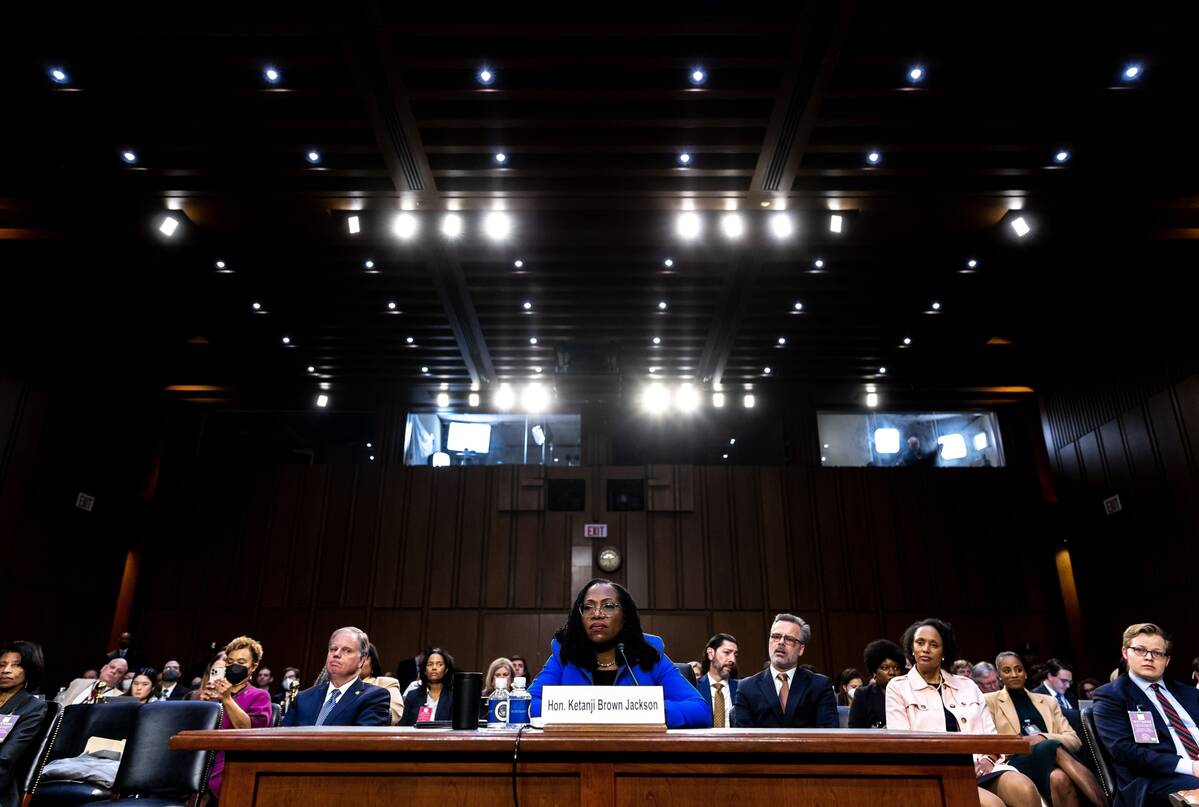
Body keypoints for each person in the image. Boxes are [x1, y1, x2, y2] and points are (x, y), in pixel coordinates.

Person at [886, 618, 1039, 807]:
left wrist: (988, 760)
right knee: (993, 805)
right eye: (920, 642)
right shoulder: (898, 688)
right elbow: (901, 745)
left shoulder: (967, 685)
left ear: (944, 651)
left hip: (982, 766)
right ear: (912, 648)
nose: (925, 649)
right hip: (934, 772)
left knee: (1026, 789)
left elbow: (991, 737)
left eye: (934, 644)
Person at [528, 578, 709, 729]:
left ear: (625, 615)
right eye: (588, 607)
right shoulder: (565, 654)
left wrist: (645, 711)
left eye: (608, 606)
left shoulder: (649, 654)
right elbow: (526, 705)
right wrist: (581, 710)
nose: (596, 613)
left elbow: (700, 710)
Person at [1092, 622, 1199, 807]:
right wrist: (1191, 767)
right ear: (1125, 652)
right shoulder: (1111, 696)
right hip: (1156, 779)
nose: (1149, 657)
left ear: (1167, 660)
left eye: (1157, 653)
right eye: (1140, 650)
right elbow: (1124, 750)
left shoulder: (1189, 693)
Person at [989, 651, 1107, 807]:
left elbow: (1074, 740)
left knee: (1059, 777)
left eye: (1019, 669)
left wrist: (1041, 738)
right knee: (1050, 746)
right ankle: (1106, 802)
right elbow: (991, 742)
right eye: (1007, 670)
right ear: (999, 675)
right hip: (1017, 761)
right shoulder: (990, 701)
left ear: (1025, 673)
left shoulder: (1048, 701)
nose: (1014, 674)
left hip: (1053, 761)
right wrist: (1026, 743)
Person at [199, 637, 273, 802]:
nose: (234, 666)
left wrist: (227, 699)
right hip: (201, 762)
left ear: (254, 666)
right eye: (230, 661)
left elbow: (250, 731)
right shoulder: (212, 693)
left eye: (241, 662)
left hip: (232, 765)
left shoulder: (259, 696)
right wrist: (202, 705)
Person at [734, 614, 837, 729]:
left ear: (801, 649)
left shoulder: (820, 686)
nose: (781, 642)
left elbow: (828, 733)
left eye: (789, 639)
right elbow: (744, 736)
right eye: (776, 636)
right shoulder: (746, 687)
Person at [283, 628, 389, 728]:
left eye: (347, 650)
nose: (336, 654)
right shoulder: (302, 698)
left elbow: (362, 740)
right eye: (333, 649)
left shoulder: (374, 697)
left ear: (361, 660)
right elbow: (283, 737)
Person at [0, 641, 52, 807]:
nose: (6, 670)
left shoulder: (32, 707)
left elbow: (5, 759)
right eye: (2, 664)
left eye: (16, 665)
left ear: (29, 670)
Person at [849, 639, 905, 729]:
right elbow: (855, 730)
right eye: (885, 668)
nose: (892, 672)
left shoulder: (908, 693)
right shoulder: (863, 695)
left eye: (896, 668)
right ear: (874, 673)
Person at [399, 648, 455, 725]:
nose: (434, 668)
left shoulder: (454, 697)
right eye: (430, 664)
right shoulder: (412, 696)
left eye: (439, 664)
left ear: (446, 670)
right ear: (425, 670)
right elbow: (402, 726)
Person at [696, 633, 739, 728]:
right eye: (727, 652)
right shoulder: (694, 688)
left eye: (735, 654)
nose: (733, 660)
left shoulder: (742, 689)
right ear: (711, 653)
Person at [360, 643, 403, 725]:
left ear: (373, 663)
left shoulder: (386, 683)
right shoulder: (339, 685)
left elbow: (395, 714)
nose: (359, 662)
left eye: (364, 658)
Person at [56, 656, 128, 705]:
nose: (114, 671)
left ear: (121, 679)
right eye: (112, 667)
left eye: (119, 672)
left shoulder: (120, 698)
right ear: (103, 668)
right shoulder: (78, 682)